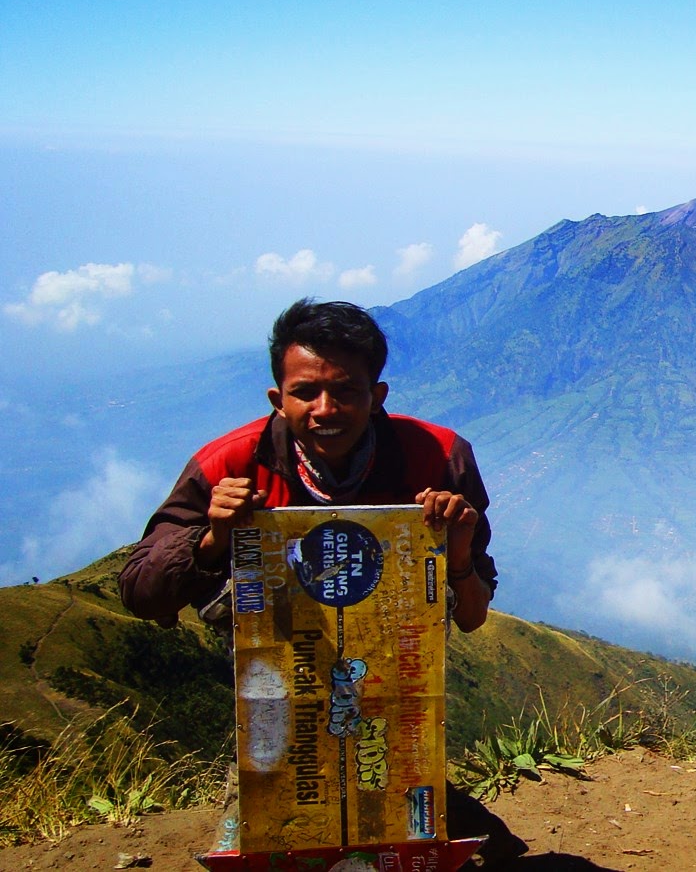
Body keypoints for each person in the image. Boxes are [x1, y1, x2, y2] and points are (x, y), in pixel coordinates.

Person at [119, 298, 525, 867]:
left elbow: (473, 613)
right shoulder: (231, 464)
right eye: (305, 392)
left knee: (485, 855)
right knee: (278, 842)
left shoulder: (437, 457)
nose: (325, 409)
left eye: (346, 391)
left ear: (377, 396)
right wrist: (212, 541)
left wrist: (456, 554)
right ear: (276, 398)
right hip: (279, 698)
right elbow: (139, 591)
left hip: (393, 691)